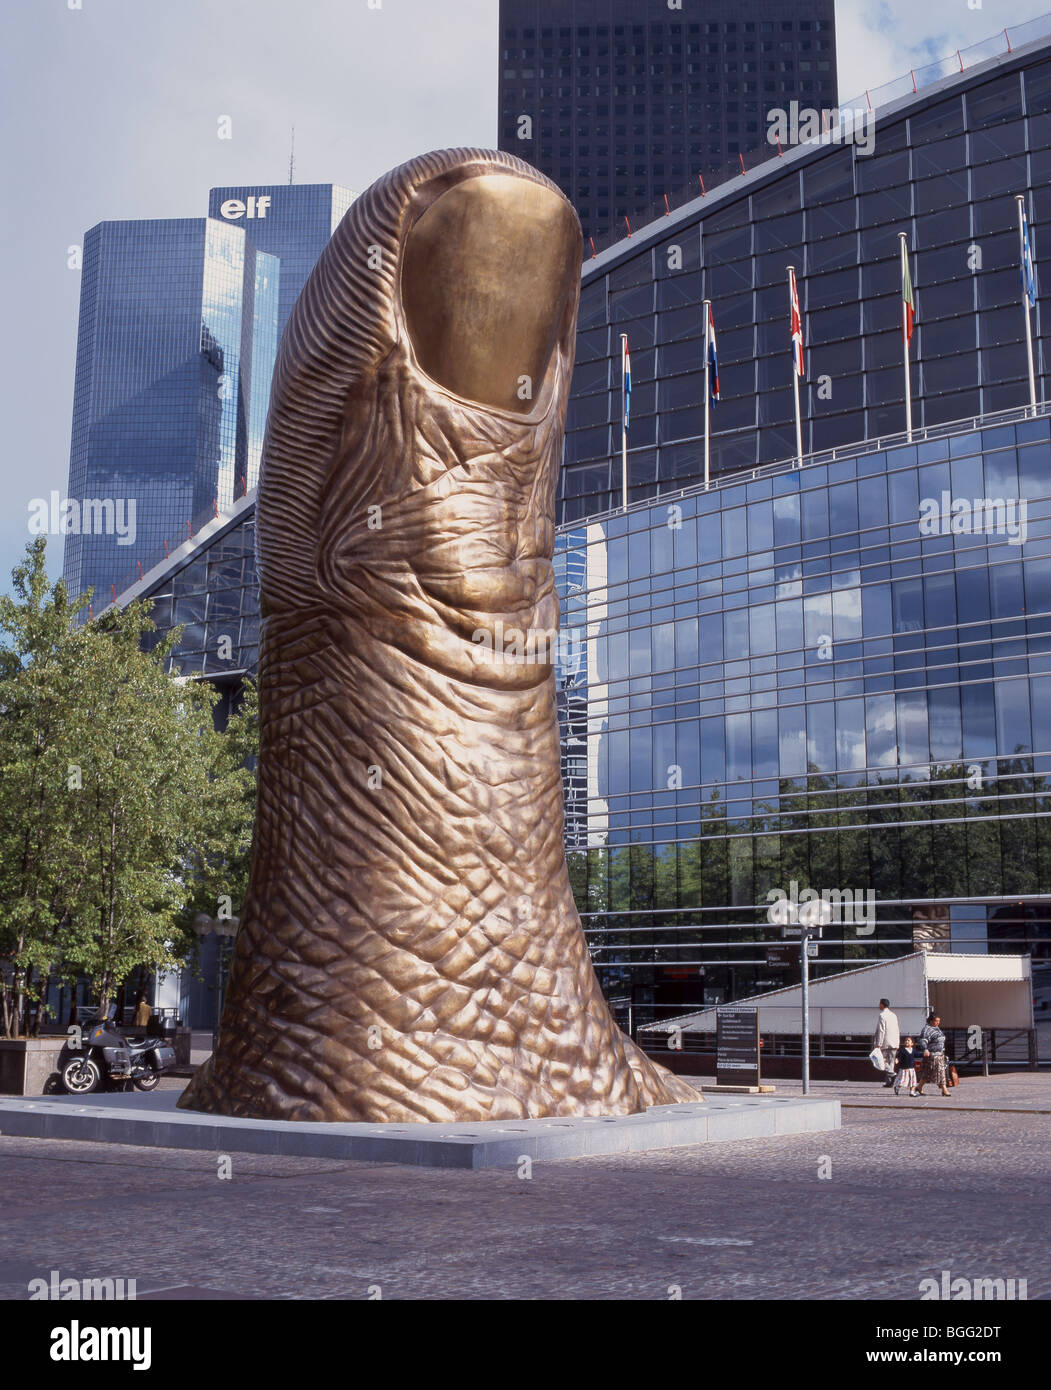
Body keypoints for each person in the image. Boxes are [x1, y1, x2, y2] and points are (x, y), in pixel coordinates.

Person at [916, 1012, 950, 1097]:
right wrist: (925, 1049)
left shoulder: (937, 1028)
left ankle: (919, 1087)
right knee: (940, 1072)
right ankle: (944, 1089)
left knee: (927, 1073)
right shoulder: (927, 1029)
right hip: (932, 1055)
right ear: (931, 1021)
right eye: (936, 1021)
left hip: (940, 1054)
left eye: (939, 1021)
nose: (938, 1022)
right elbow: (923, 1040)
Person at [873, 997, 900, 1088]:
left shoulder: (882, 1015)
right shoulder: (893, 1015)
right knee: (891, 1062)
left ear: (882, 1004)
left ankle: (893, 1074)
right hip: (894, 1042)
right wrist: (897, 1042)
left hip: (885, 1042)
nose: (878, 1005)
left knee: (883, 1061)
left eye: (879, 1003)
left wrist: (878, 1044)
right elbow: (897, 1029)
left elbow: (881, 1030)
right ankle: (889, 1082)